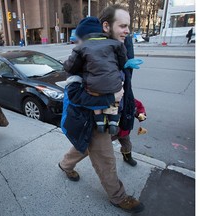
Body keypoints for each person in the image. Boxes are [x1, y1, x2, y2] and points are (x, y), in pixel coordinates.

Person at [59, 4, 145, 214]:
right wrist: (109, 97)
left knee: (84, 146)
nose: (127, 30)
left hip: (113, 113)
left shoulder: (119, 47)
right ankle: (119, 197)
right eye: (123, 25)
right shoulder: (86, 55)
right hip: (91, 117)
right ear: (106, 26)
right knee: (106, 159)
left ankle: (65, 165)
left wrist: (129, 107)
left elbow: (123, 83)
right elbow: (74, 93)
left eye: (129, 26)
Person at [63, 16, 129, 134]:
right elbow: (123, 62)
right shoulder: (115, 44)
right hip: (114, 85)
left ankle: (100, 121)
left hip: (94, 88)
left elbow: (71, 67)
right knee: (115, 91)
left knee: (94, 90)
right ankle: (113, 120)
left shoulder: (81, 48)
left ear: (83, 36)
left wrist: (66, 65)